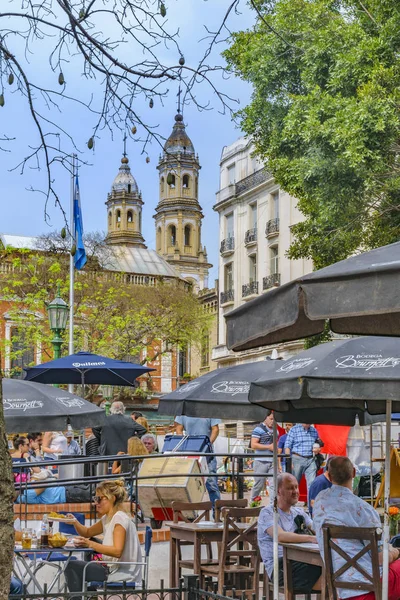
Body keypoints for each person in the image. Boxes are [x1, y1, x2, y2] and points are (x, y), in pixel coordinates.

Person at [313, 456, 400, 600]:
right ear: (353, 473)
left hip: (341, 586)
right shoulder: (363, 508)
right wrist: (395, 553)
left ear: (328, 475)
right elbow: (379, 559)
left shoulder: (320, 501)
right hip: (371, 584)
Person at [64, 479, 142, 591]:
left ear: (112, 498)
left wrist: (89, 544)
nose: (96, 503)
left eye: (99, 499)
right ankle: (88, 598)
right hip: (112, 569)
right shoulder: (108, 518)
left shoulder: (119, 519)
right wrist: (75, 522)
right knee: (76, 568)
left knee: (71, 566)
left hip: (122, 574)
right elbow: (87, 532)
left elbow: (117, 551)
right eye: (95, 499)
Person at [258, 473, 322, 593]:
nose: (295, 491)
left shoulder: (299, 512)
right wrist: (311, 538)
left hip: (303, 560)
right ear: (278, 491)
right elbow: (280, 536)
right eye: (290, 488)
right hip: (280, 567)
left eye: (296, 487)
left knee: (332, 565)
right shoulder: (268, 513)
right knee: (328, 571)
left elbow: (316, 528)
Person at [174, 415, 221, 506]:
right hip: (190, 452)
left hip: (207, 454)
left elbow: (215, 429)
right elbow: (178, 429)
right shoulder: (184, 412)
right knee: (189, 485)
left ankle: (216, 513)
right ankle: (191, 513)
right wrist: (184, 443)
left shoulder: (209, 410)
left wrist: (208, 445)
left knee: (212, 485)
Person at [284, 423, 323, 496]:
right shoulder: (294, 429)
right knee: (294, 484)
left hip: (311, 459)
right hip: (297, 459)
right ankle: (292, 506)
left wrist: (318, 449)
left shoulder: (314, 430)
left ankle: (311, 506)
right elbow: (287, 446)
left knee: (312, 485)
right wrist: (289, 461)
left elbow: (318, 444)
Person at [250, 412, 276, 502]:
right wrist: (268, 447)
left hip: (273, 461)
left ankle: (273, 507)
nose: (273, 421)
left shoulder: (276, 430)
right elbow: (253, 445)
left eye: (274, 419)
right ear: (266, 417)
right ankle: (253, 503)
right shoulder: (258, 429)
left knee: (274, 485)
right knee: (259, 485)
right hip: (261, 460)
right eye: (271, 419)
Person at [15, 481, 91, 504]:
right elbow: (43, 485)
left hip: (65, 491)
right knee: (92, 493)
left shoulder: (22, 496)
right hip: (66, 494)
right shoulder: (25, 496)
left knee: (91, 490)